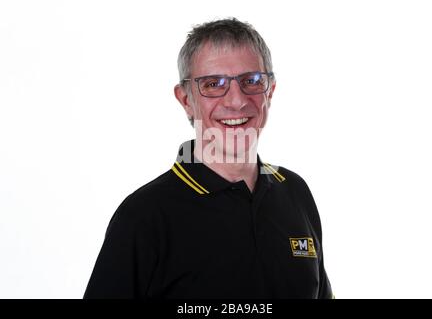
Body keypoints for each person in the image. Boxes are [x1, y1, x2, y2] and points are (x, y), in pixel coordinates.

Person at [84, 18, 333, 299]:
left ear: (270, 91)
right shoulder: (144, 217)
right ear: (186, 99)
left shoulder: (295, 192)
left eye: (251, 81)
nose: (236, 101)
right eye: (214, 84)